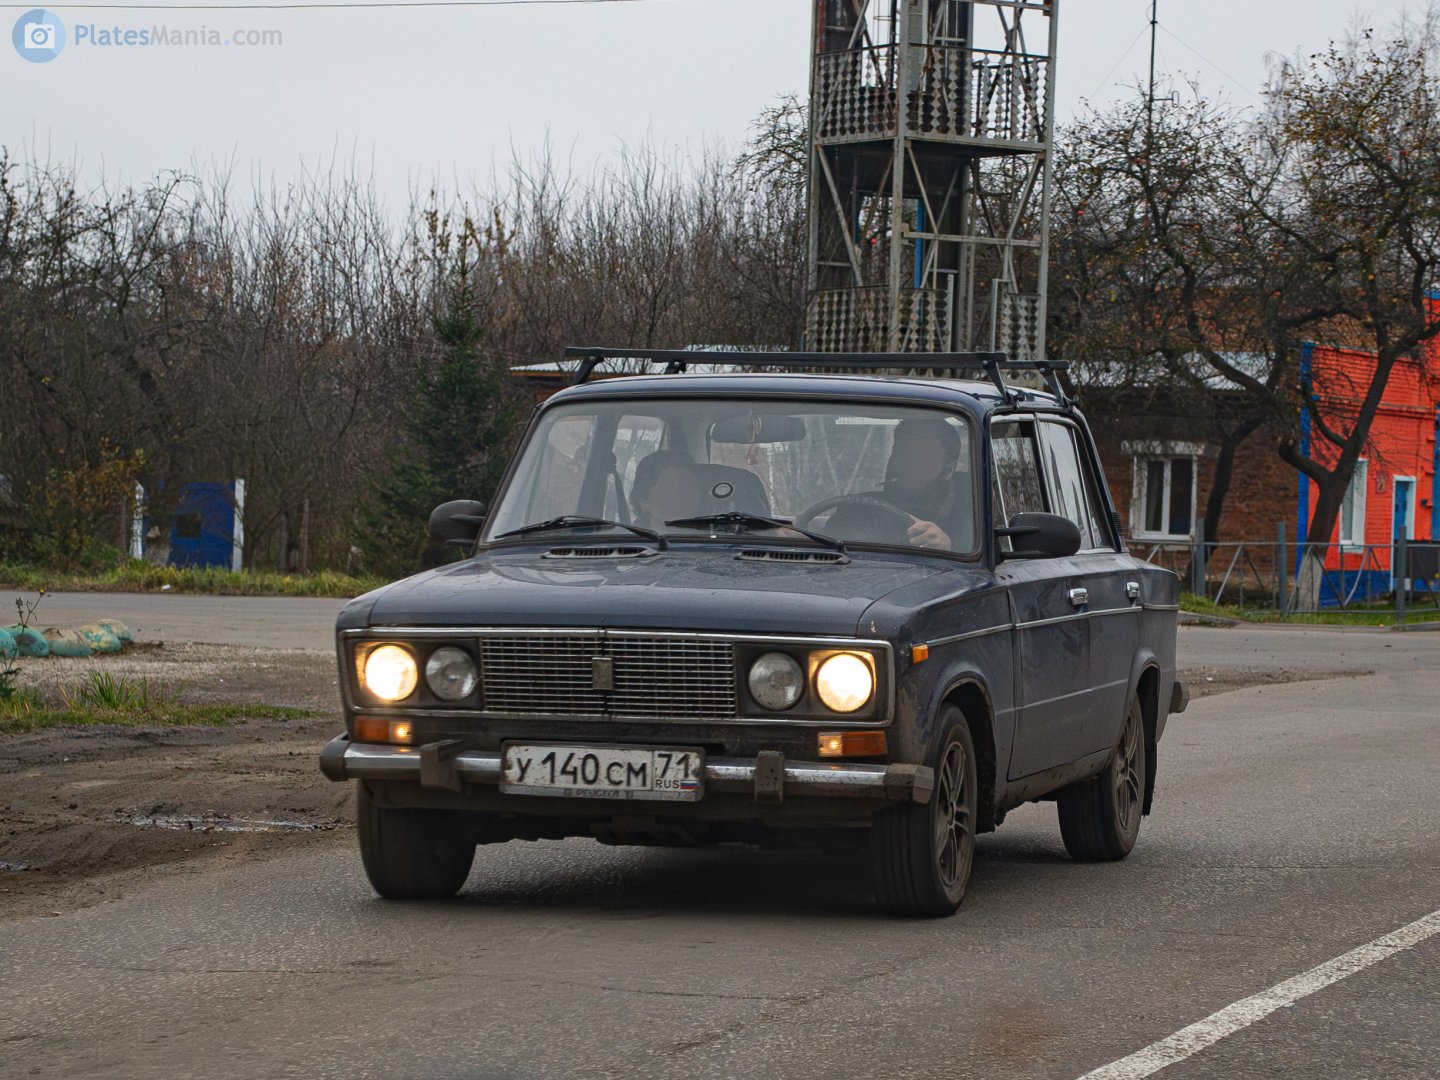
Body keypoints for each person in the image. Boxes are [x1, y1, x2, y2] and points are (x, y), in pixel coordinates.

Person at [827, 417, 968, 550]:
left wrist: (948, 548)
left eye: (922, 456)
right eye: (901, 453)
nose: (906, 463)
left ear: (948, 470)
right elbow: (824, 554)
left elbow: (977, 568)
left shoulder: (971, 517)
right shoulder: (856, 509)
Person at [630, 450, 700, 530]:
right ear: (643, 500)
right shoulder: (620, 539)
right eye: (670, 489)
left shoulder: (712, 539)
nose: (684, 498)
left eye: (691, 489)